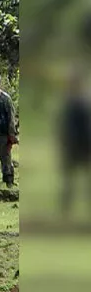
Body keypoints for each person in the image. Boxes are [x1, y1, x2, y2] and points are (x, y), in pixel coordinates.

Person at [58, 71, 91, 216]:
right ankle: (66, 210)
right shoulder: (69, 102)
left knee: (81, 179)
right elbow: (63, 126)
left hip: (83, 146)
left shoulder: (83, 102)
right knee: (69, 180)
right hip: (72, 146)